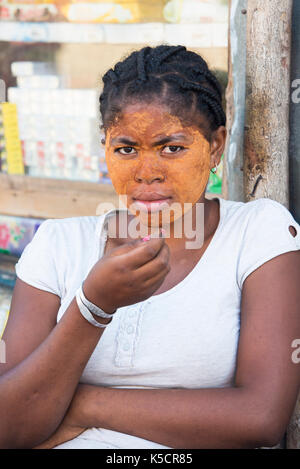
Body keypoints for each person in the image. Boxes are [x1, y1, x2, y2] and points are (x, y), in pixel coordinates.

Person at [0, 45, 300, 450]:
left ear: (215, 146)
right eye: (125, 149)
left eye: (172, 147)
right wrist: (92, 306)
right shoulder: (59, 244)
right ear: (105, 147)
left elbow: (261, 418)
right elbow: (9, 425)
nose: (147, 173)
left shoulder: (256, 233)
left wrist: (80, 405)